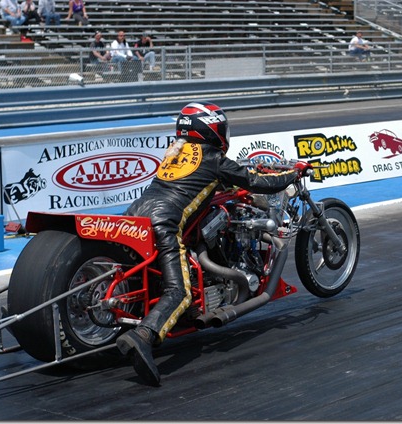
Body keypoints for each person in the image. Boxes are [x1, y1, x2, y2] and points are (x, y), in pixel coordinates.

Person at [116, 102, 311, 386]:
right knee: (179, 292)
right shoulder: (214, 158)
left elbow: (200, 183)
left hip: (136, 214)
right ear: (213, 130)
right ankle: (143, 335)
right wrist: (293, 174)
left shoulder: (176, 152)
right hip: (165, 222)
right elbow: (257, 182)